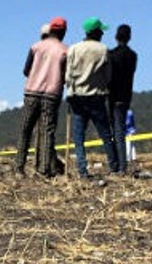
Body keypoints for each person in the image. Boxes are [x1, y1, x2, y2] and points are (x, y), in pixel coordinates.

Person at [65, 16, 120, 179]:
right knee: (105, 134)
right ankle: (114, 166)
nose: (103, 33)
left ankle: (82, 170)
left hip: (77, 97)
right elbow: (108, 76)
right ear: (96, 32)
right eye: (101, 30)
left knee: (78, 137)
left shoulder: (74, 49)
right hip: (96, 97)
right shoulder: (103, 50)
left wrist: (72, 89)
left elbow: (68, 76)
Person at [15, 17, 68, 177]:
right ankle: (43, 170)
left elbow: (26, 70)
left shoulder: (36, 47)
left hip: (32, 92)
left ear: (50, 30)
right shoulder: (66, 50)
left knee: (25, 129)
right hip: (51, 95)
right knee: (47, 132)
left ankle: (19, 168)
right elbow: (65, 76)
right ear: (63, 32)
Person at [107, 24, 137, 173]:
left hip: (113, 96)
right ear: (129, 37)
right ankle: (120, 164)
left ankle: (120, 165)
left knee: (116, 131)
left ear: (116, 37)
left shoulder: (112, 55)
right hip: (126, 96)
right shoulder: (133, 56)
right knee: (120, 129)